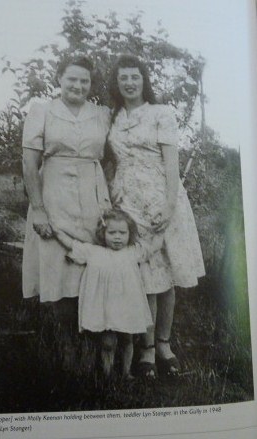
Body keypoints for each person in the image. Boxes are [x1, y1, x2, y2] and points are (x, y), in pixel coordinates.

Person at [107, 54, 205, 379]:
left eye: (135, 76)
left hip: (162, 199)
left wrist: (168, 205)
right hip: (127, 204)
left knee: (166, 276)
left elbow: (171, 164)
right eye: (124, 78)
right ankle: (146, 348)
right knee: (144, 277)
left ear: (143, 79)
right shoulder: (114, 117)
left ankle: (164, 344)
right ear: (117, 83)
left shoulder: (162, 113)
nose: (129, 83)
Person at [22, 55, 111, 370]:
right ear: (59, 78)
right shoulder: (42, 111)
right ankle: (67, 350)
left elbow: (114, 156)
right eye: (72, 78)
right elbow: (30, 163)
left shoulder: (102, 114)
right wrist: (38, 208)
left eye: (84, 80)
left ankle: (93, 345)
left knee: (91, 268)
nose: (78, 85)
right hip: (54, 194)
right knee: (58, 270)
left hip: (93, 196)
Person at [54, 209, 157, 379]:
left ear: (130, 234)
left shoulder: (132, 251)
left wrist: (162, 230)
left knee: (127, 339)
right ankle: (108, 374)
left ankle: (126, 373)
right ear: (103, 233)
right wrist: (56, 227)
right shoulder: (94, 251)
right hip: (104, 308)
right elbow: (70, 243)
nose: (117, 237)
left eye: (122, 233)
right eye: (112, 232)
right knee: (107, 342)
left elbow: (153, 247)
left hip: (126, 305)